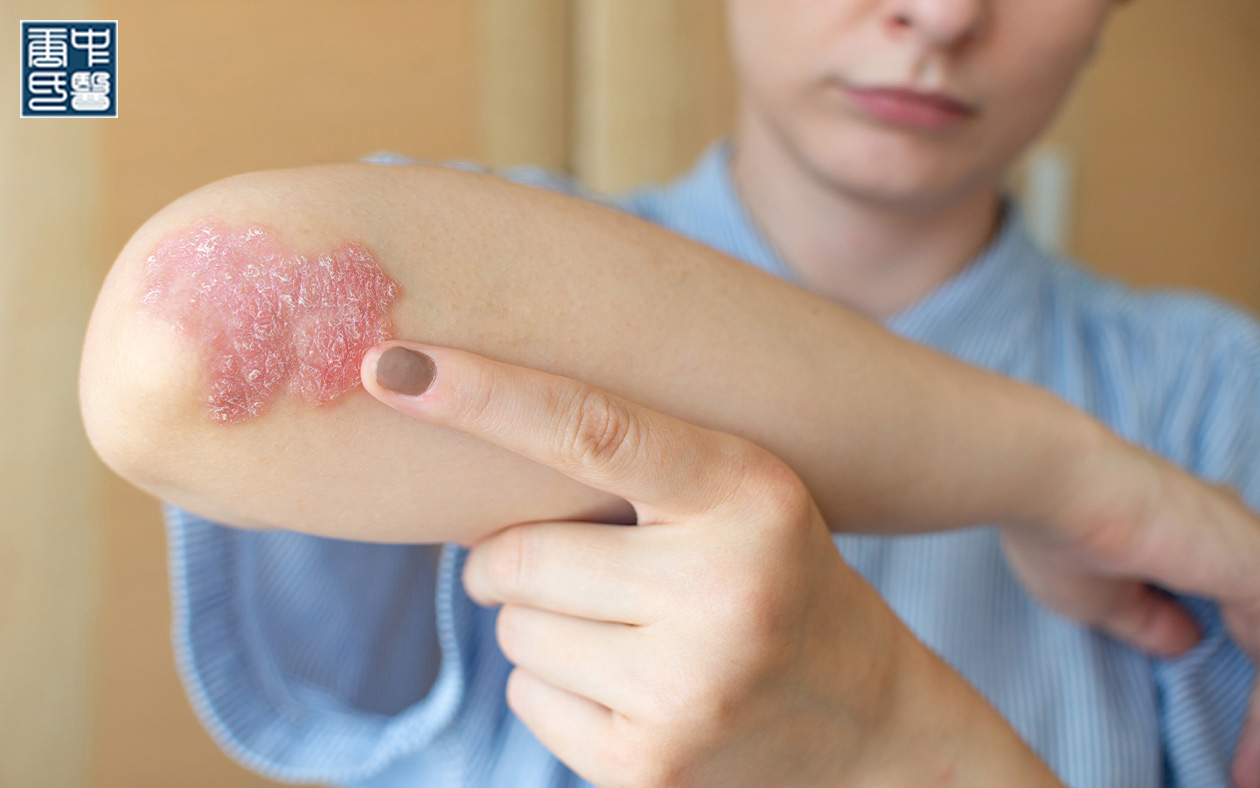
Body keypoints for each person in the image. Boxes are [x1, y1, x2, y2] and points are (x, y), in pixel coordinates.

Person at [77, 0, 1260, 785]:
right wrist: (1067, 470)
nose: (942, 14)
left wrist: (900, 733)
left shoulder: (1220, 396)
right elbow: (183, 344)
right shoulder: (461, 257)